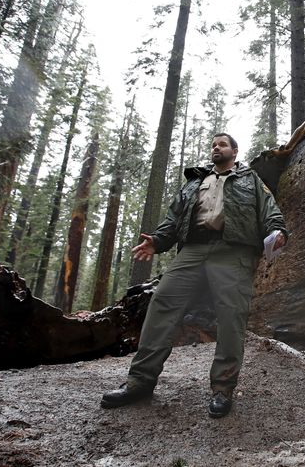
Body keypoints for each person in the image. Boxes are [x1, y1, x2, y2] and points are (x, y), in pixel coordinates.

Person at [101, 132, 287, 418]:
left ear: (234, 152)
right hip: (193, 250)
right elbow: (174, 217)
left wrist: (277, 232)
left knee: (230, 314)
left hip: (232, 250)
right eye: (213, 144)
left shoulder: (250, 181)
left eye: (222, 144)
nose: (216, 147)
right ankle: (140, 381)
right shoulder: (195, 182)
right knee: (162, 302)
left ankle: (223, 389)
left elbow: (270, 212)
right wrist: (157, 241)